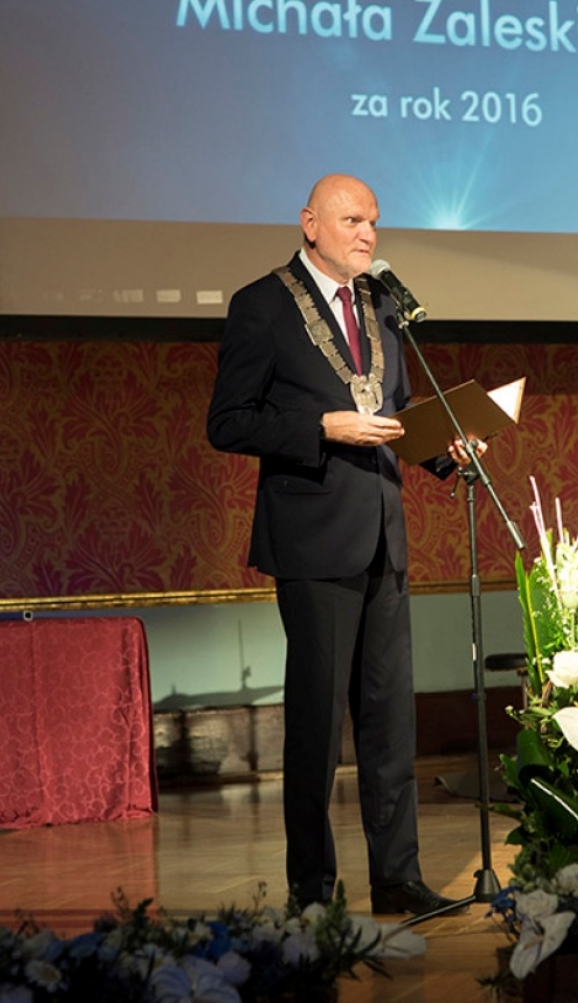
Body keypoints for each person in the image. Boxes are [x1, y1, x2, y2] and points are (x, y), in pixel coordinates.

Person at [207, 173, 475, 917]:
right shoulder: (262, 305)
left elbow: (397, 412)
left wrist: (446, 448)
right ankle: (311, 891)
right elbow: (228, 421)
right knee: (318, 725)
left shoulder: (382, 303)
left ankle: (397, 878)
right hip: (313, 541)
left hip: (384, 534)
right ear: (310, 224)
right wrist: (322, 427)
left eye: (374, 221)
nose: (368, 234)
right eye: (353, 220)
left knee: (390, 722)